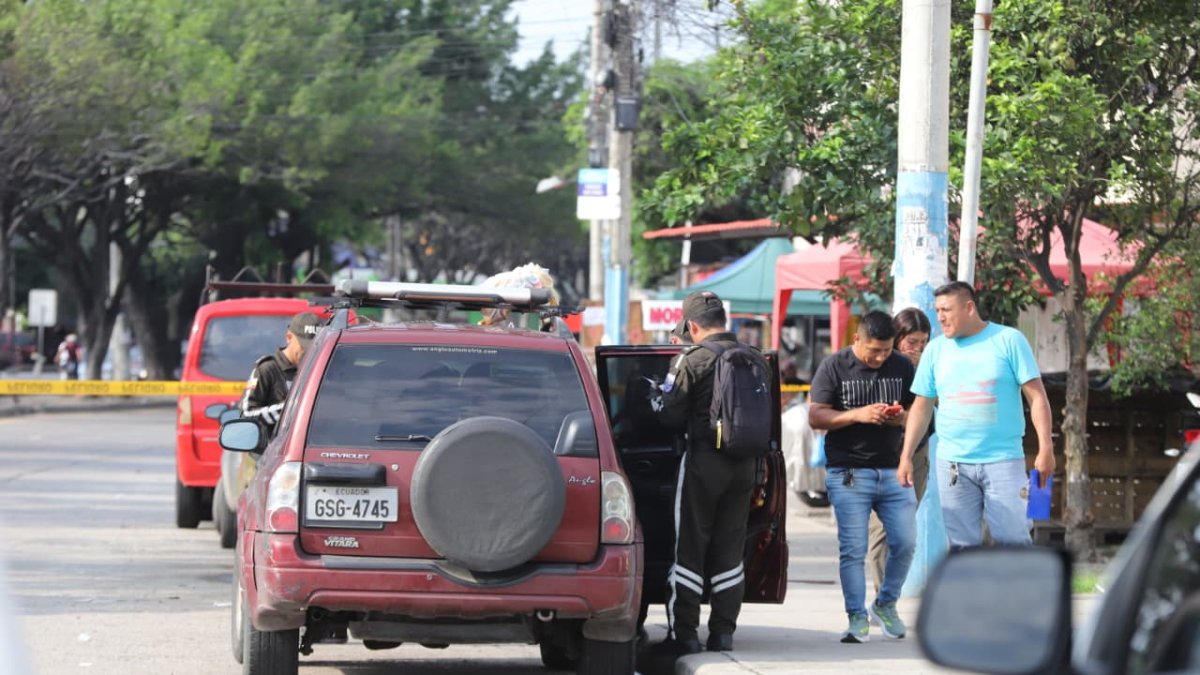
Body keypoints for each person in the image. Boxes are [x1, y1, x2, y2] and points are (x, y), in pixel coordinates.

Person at [897, 281, 1055, 550]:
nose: (941, 317)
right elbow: (922, 407)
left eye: (947, 309)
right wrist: (906, 455)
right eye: (938, 310)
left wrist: (1046, 448)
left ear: (969, 307)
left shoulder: (1008, 340)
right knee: (961, 548)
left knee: (1014, 542)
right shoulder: (935, 350)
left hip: (1003, 460)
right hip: (953, 465)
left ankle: (1023, 593)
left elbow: (1037, 397)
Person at [656, 291, 759, 655]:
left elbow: (667, 413)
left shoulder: (692, 359)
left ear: (692, 326)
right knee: (730, 548)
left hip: (703, 463)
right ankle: (723, 633)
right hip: (746, 466)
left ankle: (684, 634)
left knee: (691, 547)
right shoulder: (755, 358)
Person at [809, 310, 917, 644]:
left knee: (906, 543)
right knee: (853, 550)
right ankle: (856, 617)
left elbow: (917, 410)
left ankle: (885, 603)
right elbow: (815, 416)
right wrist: (858, 415)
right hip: (849, 472)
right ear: (857, 339)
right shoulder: (834, 366)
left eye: (886, 350)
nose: (880, 357)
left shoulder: (902, 365)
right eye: (874, 351)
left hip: (892, 469)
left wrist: (898, 418)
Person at [867, 307, 931, 591]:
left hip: (916, 455)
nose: (917, 349)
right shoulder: (879, 362)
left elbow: (936, 407)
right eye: (912, 342)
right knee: (880, 531)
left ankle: (888, 596)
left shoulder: (929, 367)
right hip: (880, 457)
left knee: (903, 533)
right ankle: (884, 599)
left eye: (923, 342)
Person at [240, 312, 323, 436]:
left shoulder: (318, 368)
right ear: (289, 338)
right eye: (304, 346)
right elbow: (246, 416)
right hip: (270, 451)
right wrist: (291, 409)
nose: (309, 352)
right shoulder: (267, 369)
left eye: (314, 347)